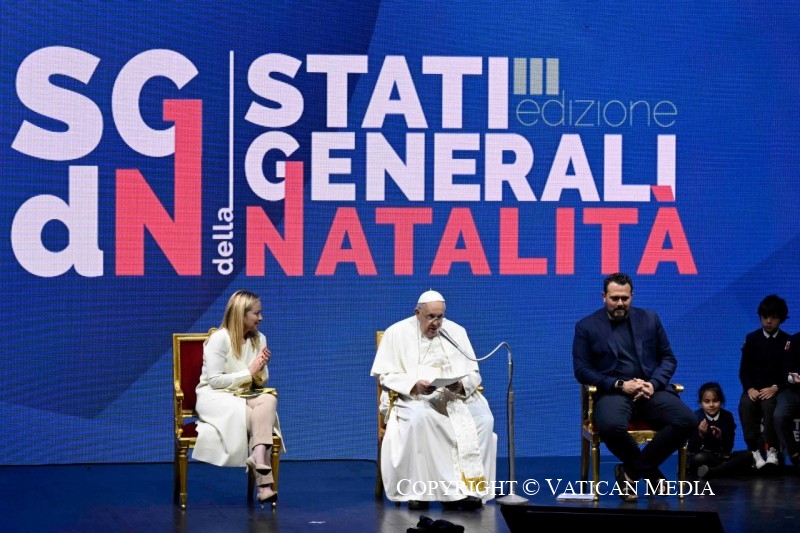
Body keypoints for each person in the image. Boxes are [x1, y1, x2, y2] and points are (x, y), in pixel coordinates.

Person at [572, 272, 695, 502]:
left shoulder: (650, 319)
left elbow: (668, 358)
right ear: (604, 296)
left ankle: (629, 471)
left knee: (687, 421)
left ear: (632, 296)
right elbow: (582, 370)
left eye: (625, 298)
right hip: (613, 392)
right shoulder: (586, 326)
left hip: (650, 391)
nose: (620, 303)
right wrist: (620, 384)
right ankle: (652, 474)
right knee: (610, 427)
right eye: (614, 298)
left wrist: (653, 384)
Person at [370, 290, 495, 511]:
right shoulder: (396, 333)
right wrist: (413, 385)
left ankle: (469, 490)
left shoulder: (456, 332)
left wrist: (461, 385)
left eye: (440, 317)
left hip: (453, 397)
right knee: (423, 418)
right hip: (413, 397)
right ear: (417, 312)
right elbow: (385, 376)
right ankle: (422, 492)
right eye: (431, 317)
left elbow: (473, 372)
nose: (436, 323)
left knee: (484, 419)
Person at [193, 289, 282, 505]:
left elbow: (259, 382)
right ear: (241, 314)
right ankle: (264, 486)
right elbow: (214, 381)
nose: (261, 318)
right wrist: (249, 371)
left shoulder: (260, 339)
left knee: (269, 399)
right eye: (256, 313)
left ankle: (257, 456)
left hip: (243, 393)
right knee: (257, 417)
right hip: (215, 397)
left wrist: (259, 371)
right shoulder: (219, 339)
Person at [737, 294, 790, 470]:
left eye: (773, 317)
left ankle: (773, 450)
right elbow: (744, 370)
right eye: (765, 316)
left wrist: (776, 387)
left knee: (769, 406)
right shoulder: (752, 339)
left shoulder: (787, 341)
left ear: (781, 319)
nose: (768, 321)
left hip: (775, 390)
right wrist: (749, 388)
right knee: (746, 404)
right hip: (754, 389)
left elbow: (788, 371)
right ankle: (754, 451)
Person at [688, 382, 754, 478]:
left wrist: (721, 437)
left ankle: (713, 472)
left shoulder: (727, 416)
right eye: (707, 401)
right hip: (705, 456)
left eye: (715, 401)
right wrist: (701, 434)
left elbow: (729, 447)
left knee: (748, 455)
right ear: (700, 403)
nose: (711, 405)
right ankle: (725, 469)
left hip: (722, 457)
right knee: (698, 458)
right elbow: (692, 448)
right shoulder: (696, 417)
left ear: (721, 401)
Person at [774, 331, 800, 472]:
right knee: (779, 415)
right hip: (793, 390)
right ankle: (793, 455)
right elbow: (784, 369)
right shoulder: (793, 340)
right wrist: (792, 378)